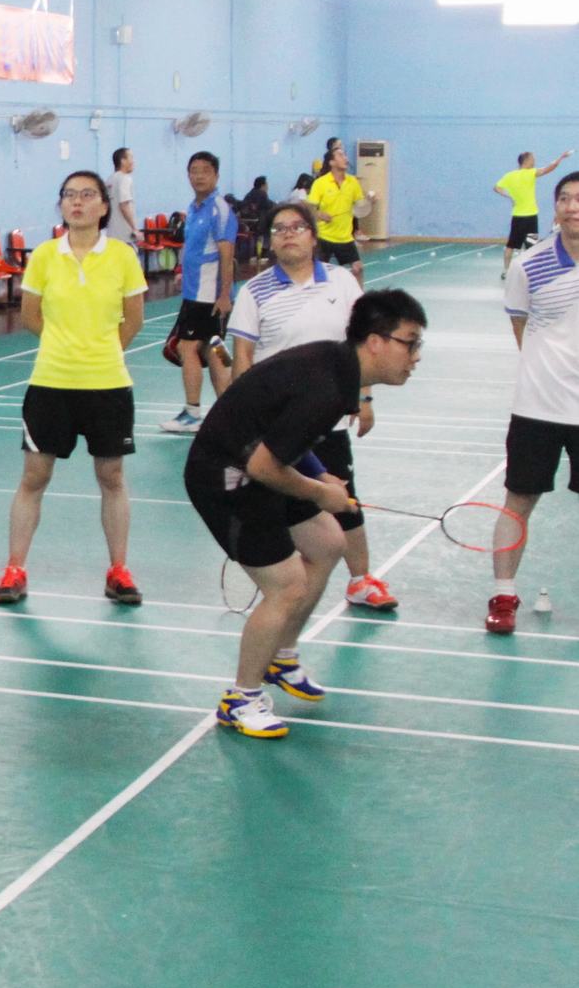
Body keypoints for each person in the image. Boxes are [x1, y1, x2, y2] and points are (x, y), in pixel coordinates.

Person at [186, 289, 427, 739]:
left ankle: (280, 656)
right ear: (376, 342)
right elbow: (263, 466)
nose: (415, 357)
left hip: (255, 460)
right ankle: (241, 699)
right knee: (286, 585)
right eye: (410, 343)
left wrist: (319, 475)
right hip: (227, 476)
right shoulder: (328, 387)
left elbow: (281, 429)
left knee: (329, 542)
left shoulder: (338, 367)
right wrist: (319, 493)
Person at [228, 202, 396, 612]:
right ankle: (280, 582)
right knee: (277, 503)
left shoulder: (341, 282)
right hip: (275, 423)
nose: (288, 234)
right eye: (279, 229)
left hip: (327, 418)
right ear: (270, 242)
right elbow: (243, 356)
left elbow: (361, 346)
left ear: (313, 236)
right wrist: (245, 415)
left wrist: (364, 397)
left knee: (344, 497)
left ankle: (360, 580)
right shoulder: (254, 291)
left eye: (297, 227)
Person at [0, 172, 147, 608]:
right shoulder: (44, 255)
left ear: (104, 206)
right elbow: (30, 316)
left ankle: (118, 570)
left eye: (87, 195)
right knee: (34, 477)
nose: (77, 202)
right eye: (69, 195)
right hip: (51, 382)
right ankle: (14, 569)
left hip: (108, 384)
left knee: (111, 477)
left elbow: (134, 320)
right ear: (61, 205)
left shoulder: (122, 257)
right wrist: (64, 348)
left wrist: (100, 352)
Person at [489, 171, 579, 634]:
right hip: (537, 406)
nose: (572, 207)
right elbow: (520, 326)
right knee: (518, 501)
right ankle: (503, 595)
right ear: (555, 207)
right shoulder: (529, 265)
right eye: (564, 199)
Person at [160, 151, 238, 434]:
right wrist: (183, 272)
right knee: (214, 348)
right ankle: (231, 412)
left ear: (216, 175)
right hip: (195, 291)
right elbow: (194, 248)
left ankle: (192, 413)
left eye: (205, 170)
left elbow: (227, 253)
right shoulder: (194, 208)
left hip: (209, 294)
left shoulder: (219, 209)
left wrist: (224, 295)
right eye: (194, 170)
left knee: (186, 347)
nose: (199, 175)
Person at [494, 148, 569, 275]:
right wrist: (561, 157)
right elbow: (550, 168)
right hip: (530, 217)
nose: (534, 161)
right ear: (526, 161)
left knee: (511, 245)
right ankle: (530, 270)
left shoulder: (509, 176)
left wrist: (509, 196)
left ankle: (506, 271)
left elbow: (497, 188)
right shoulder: (531, 173)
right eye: (533, 159)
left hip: (518, 217)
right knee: (531, 245)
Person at [307, 143, 368, 284]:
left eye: (345, 155)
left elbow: (360, 209)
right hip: (324, 237)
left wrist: (369, 202)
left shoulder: (352, 182)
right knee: (317, 274)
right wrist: (319, 214)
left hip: (345, 238)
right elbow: (309, 209)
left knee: (358, 269)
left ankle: (360, 298)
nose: (345, 158)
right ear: (332, 162)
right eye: (341, 155)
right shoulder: (320, 183)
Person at [229, 175, 274, 267]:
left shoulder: (249, 194)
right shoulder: (262, 194)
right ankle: (263, 254)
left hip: (247, 222)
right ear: (263, 185)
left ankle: (254, 255)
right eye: (266, 185)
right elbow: (269, 205)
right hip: (259, 223)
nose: (267, 187)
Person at [108, 146, 139, 250]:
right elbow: (124, 205)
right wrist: (135, 228)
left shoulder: (109, 180)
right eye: (131, 157)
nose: (133, 161)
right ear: (123, 161)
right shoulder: (125, 178)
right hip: (124, 237)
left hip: (111, 236)